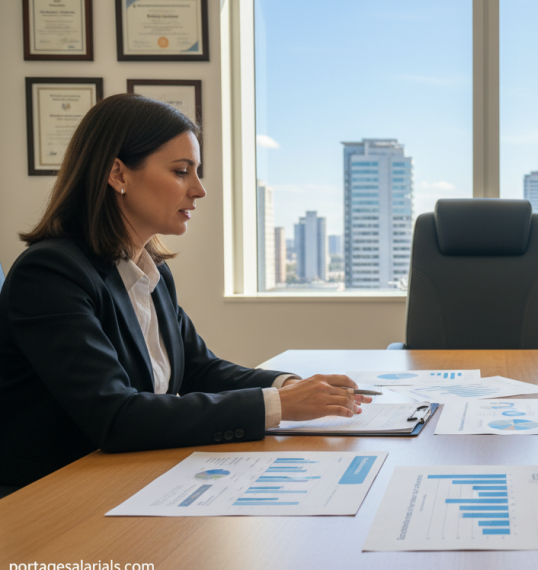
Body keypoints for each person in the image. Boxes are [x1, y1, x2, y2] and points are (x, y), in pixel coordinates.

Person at [0, 94, 370, 493]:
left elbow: (198, 369)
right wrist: (279, 406)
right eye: (181, 171)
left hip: (128, 478)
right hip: (56, 495)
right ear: (118, 174)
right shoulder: (50, 275)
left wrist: (289, 386)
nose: (199, 190)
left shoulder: (150, 271)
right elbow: (115, 416)